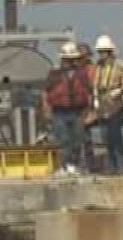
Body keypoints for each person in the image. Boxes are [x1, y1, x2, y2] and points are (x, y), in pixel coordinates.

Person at [89, 35, 123, 175]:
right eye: (100, 51)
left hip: (115, 100)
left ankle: (121, 165)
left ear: (110, 51)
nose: (102, 54)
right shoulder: (98, 66)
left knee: (115, 135)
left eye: (104, 51)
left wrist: (121, 89)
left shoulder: (120, 64)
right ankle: (111, 166)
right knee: (105, 136)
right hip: (101, 99)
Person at [41, 41, 95, 174]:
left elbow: (90, 93)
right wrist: (46, 110)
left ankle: (74, 165)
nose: (69, 62)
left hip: (78, 111)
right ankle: (64, 166)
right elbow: (45, 92)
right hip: (59, 112)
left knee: (77, 140)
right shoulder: (54, 74)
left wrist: (91, 112)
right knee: (63, 140)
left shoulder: (82, 75)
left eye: (72, 59)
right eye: (67, 59)